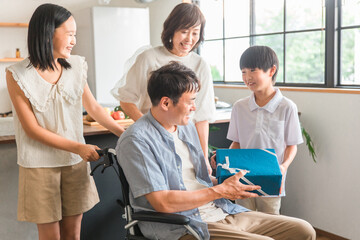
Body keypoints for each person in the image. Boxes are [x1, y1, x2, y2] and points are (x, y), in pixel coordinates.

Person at [116, 61, 315, 240]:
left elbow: (197, 181)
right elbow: (162, 203)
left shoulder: (185, 127)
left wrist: (230, 182)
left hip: (221, 210)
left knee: (303, 230)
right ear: (166, 103)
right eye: (191, 101)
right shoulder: (137, 140)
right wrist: (219, 190)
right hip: (182, 225)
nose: (195, 107)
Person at [6, 4, 125, 240]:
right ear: (48, 32)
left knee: (73, 234)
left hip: (73, 163)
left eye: (75, 35)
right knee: (51, 237)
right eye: (69, 34)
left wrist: (126, 134)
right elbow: (32, 129)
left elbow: (95, 109)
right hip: (39, 166)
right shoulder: (17, 74)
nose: (74, 40)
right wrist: (79, 148)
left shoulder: (77, 66)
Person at [111, 3, 216, 174]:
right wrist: (151, 129)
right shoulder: (148, 58)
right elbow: (126, 99)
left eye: (195, 33)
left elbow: (202, 116)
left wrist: (203, 156)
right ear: (171, 29)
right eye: (184, 31)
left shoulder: (200, 65)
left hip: (186, 142)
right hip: (152, 140)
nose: (189, 39)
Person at [211, 45, 303, 215]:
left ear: (271, 71)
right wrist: (225, 162)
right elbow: (236, 142)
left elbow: (292, 145)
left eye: (253, 70)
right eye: (243, 71)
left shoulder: (287, 107)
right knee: (244, 219)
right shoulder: (240, 107)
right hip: (242, 177)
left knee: (271, 221)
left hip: (272, 177)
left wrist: (283, 167)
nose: (247, 77)